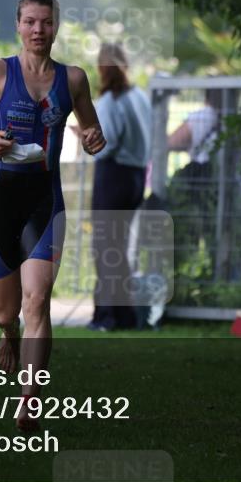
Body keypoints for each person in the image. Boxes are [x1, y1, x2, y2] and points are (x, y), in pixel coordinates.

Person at [0, 0, 105, 431]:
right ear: (18, 26)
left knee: (39, 301)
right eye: (30, 22)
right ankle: (7, 334)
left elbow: (92, 130)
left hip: (44, 202)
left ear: (56, 27)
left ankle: (30, 397)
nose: (38, 30)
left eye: (46, 22)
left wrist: (95, 139)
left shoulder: (73, 80)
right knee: (7, 311)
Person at [87, 43, 152, 331]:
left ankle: (107, 316)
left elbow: (106, 145)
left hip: (114, 176)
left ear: (102, 69)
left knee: (105, 246)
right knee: (119, 246)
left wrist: (87, 139)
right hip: (136, 176)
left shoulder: (110, 102)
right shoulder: (139, 96)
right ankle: (125, 316)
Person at [166, 89, 224, 279]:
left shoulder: (204, 115)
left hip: (201, 187)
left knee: (192, 232)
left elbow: (172, 142)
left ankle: (191, 276)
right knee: (218, 235)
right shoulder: (233, 119)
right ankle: (217, 277)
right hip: (225, 187)